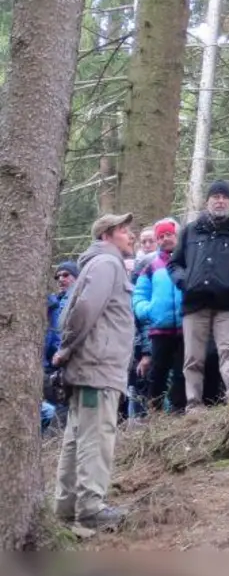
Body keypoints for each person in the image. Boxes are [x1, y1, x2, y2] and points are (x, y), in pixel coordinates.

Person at [51, 212, 138, 529]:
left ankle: (66, 507)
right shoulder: (108, 265)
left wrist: (68, 349)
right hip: (98, 369)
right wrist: (68, 347)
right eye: (124, 230)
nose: (131, 235)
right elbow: (84, 310)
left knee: (77, 437)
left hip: (91, 368)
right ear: (107, 235)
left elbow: (72, 314)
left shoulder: (97, 265)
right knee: (96, 436)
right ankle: (90, 509)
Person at [170, 181, 229, 406]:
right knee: (193, 356)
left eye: (225, 197)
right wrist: (184, 282)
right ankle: (193, 403)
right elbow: (174, 264)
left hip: (227, 304)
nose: (220, 201)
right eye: (215, 197)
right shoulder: (190, 231)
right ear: (207, 201)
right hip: (194, 302)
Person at [132, 220, 184, 413]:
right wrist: (147, 310)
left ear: (176, 236)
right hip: (159, 327)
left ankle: (179, 410)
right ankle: (155, 411)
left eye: (168, 235)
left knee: (181, 372)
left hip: (184, 326)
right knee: (158, 372)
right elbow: (139, 294)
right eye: (160, 237)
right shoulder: (151, 266)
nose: (165, 239)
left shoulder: (186, 260)